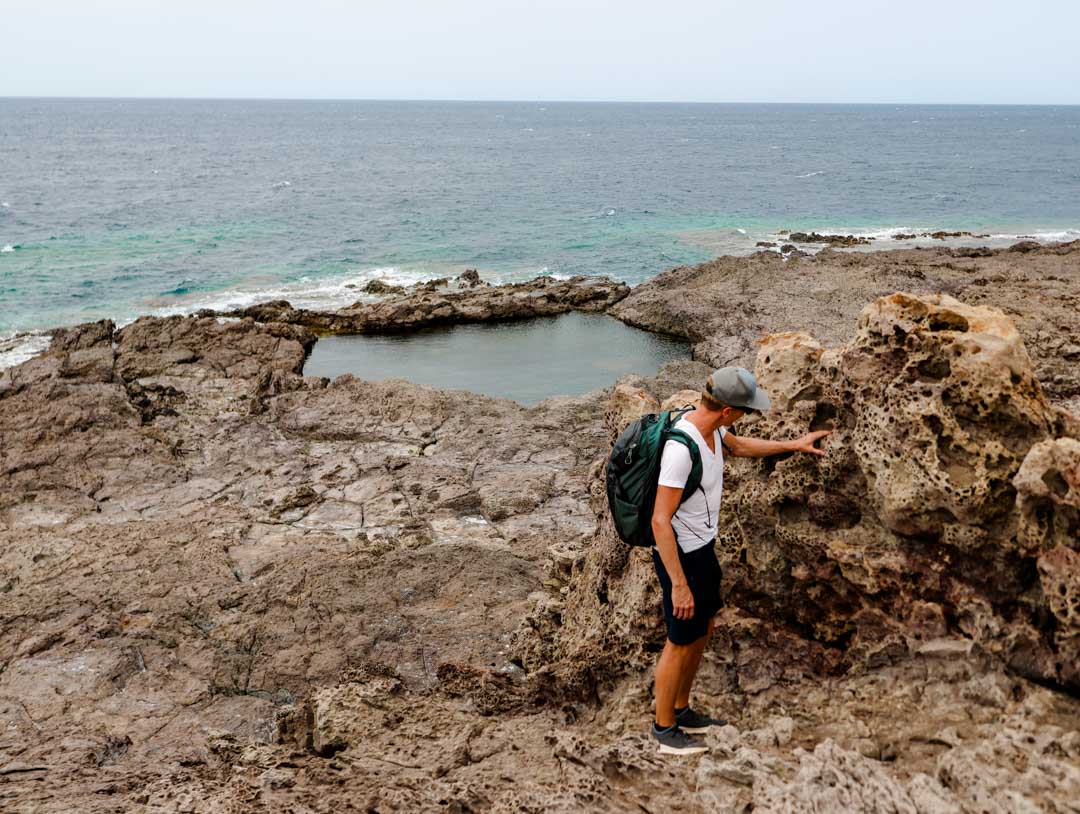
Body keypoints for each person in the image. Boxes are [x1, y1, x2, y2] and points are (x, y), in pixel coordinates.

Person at [649, 367, 830, 755]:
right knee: (679, 641)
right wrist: (678, 583)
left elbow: (739, 447)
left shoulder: (712, 427)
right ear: (728, 410)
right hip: (680, 557)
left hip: (703, 550)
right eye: (745, 410)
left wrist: (794, 445)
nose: (746, 416)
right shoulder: (681, 449)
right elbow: (659, 520)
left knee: (702, 630)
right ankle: (664, 730)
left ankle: (681, 711)